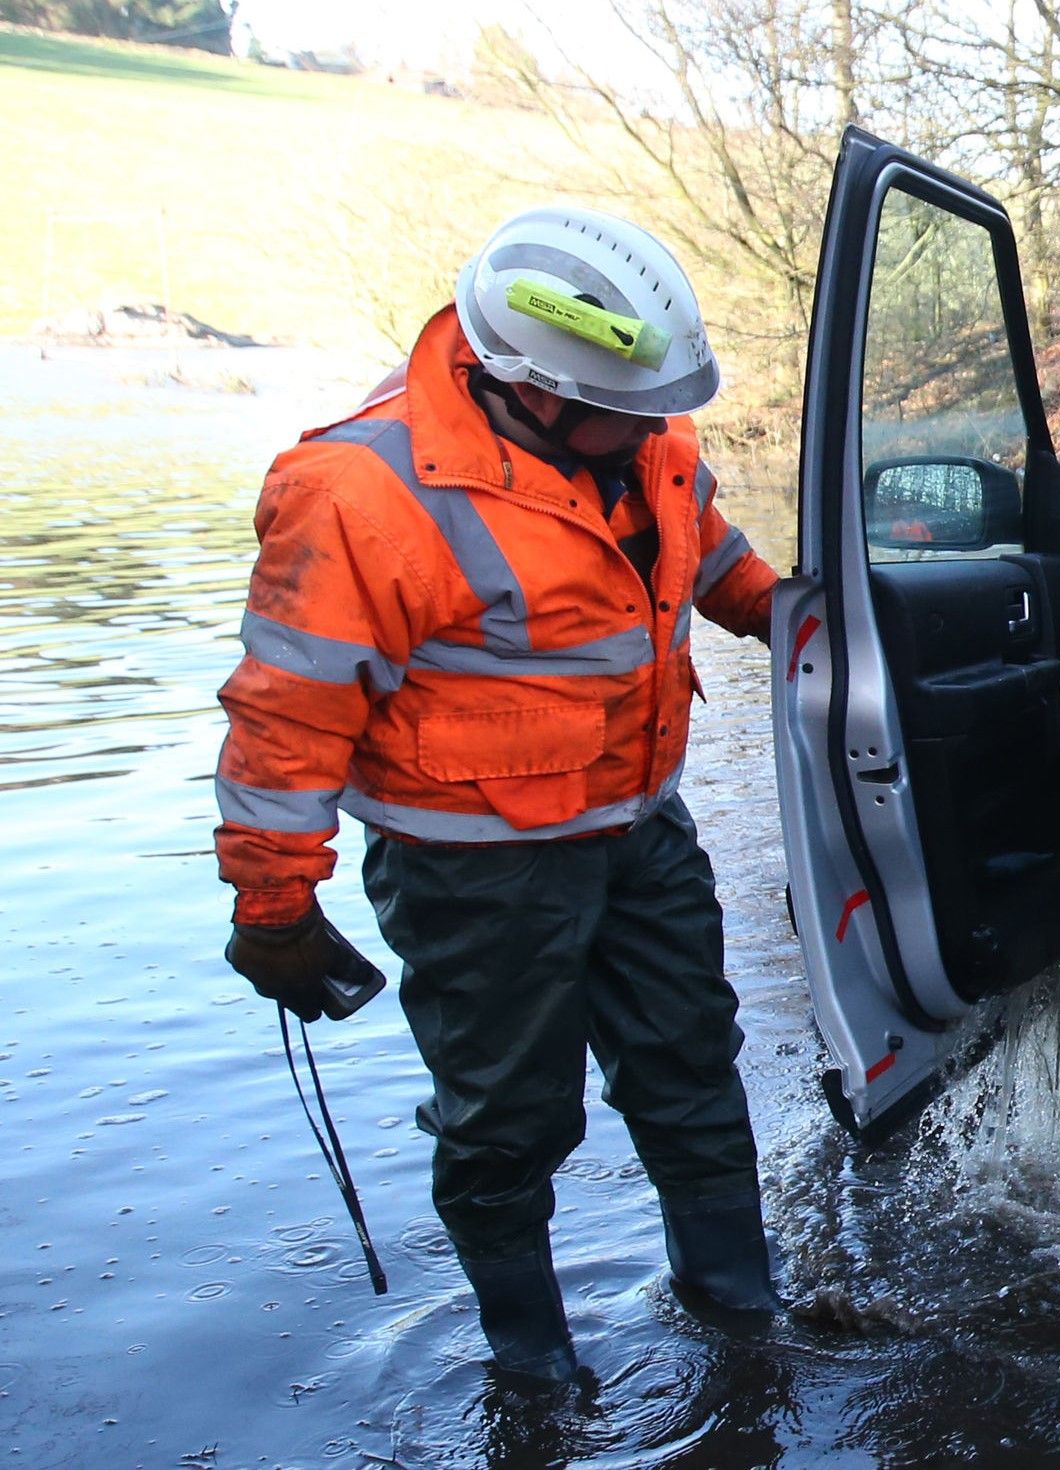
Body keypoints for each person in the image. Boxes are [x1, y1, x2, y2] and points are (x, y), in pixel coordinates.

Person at [213, 205, 785, 1384]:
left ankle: (741, 1311)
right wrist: (273, 903)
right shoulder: (358, 493)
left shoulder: (648, 439)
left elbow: (708, 561)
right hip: (474, 866)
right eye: (625, 411)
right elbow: (288, 714)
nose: (651, 428)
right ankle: (534, 1370)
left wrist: (804, 620)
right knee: (509, 1118)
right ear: (518, 384)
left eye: (657, 406)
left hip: (640, 827)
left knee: (692, 1067)